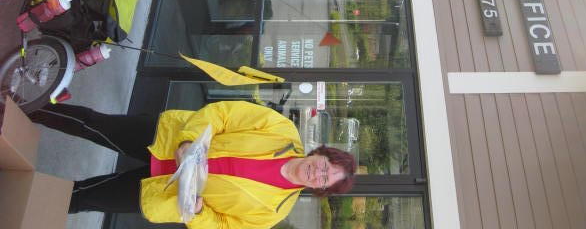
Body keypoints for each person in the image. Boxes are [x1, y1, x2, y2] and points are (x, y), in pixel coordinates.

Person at [30, 100, 356, 229]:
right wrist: (187, 141)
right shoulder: (282, 131)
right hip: (166, 138)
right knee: (93, 124)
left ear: (320, 189)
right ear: (321, 153)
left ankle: (18, 198)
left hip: (165, 194)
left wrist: (199, 213)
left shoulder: (274, 212)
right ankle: (29, 109)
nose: (319, 173)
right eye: (325, 166)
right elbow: (223, 114)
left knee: (83, 198)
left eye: (325, 180)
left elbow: (223, 227)